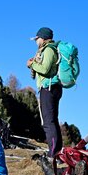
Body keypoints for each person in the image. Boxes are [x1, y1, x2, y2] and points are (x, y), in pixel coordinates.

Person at [27, 27, 63, 157]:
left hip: (49, 88)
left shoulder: (48, 50)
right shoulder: (45, 50)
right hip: (51, 87)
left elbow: (46, 69)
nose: (36, 41)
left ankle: (53, 153)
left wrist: (32, 64)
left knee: (48, 122)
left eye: (37, 39)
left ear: (42, 38)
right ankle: (56, 151)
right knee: (52, 120)